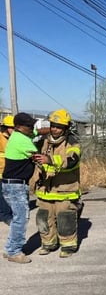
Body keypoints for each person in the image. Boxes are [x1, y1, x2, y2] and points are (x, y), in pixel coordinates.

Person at [33, 109, 82, 258]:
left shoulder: (72, 142)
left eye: (59, 126)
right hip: (45, 190)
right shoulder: (43, 140)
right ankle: (48, 244)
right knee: (43, 218)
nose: (55, 129)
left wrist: (51, 160)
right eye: (53, 125)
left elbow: (73, 161)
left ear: (66, 128)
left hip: (65, 190)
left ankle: (68, 246)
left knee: (65, 219)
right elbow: (27, 139)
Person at [2, 112, 39, 263]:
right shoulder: (22, 141)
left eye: (32, 124)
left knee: (18, 217)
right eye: (28, 126)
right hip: (16, 185)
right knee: (21, 218)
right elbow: (39, 157)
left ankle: (10, 247)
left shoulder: (20, 135)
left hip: (12, 184)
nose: (32, 128)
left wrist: (48, 129)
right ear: (18, 127)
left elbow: (36, 132)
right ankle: (14, 252)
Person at [0, 115, 15, 224]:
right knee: (2, 195)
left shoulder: (14, 138)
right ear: (6, 127)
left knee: (7, 195)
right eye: (12, 127)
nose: (14, 130)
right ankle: (6, 215)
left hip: (9, 171)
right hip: (1, 171)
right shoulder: (1, 137)